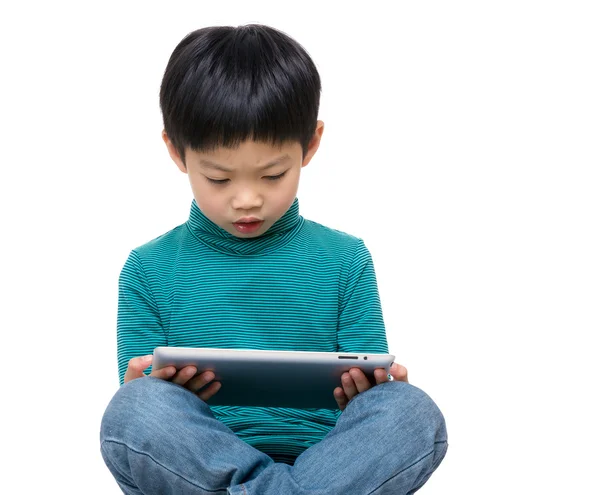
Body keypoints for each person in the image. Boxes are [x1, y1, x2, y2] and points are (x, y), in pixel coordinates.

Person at [100, 24, 448, 495]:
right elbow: (145, 405)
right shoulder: (148, 267)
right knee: (135, 410)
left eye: (272, 175)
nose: (247, 200)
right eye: (219, 180)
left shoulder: (346, 258)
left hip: (329, 461)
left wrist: (373, 391)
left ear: (311, 144)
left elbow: (365, 401)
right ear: (175, 152)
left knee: (410, 412)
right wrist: (146, 385)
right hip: (200, 465)